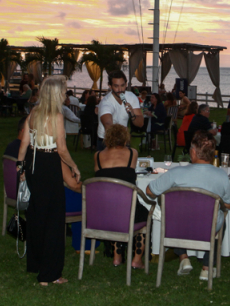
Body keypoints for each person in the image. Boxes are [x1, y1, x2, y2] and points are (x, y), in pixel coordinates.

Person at [16, 76, 80, 285]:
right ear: (56, 94)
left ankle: (37, 264)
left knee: (37, 216)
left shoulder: (34, 112)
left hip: (33, 164)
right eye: (63, 91)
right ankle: (50, 274)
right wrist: (74, 166)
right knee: (54, 221)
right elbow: (61, 149)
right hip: (49, 165)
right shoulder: (56, 116)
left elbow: (24, 143)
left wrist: (20, 166)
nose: (65, 94)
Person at [146, 131, 230, 281]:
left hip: (177, 226)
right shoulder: (221, 176)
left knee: (176, 214)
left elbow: (150, 191)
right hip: (207, 227)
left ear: (193, 152)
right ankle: (207, 268)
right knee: (220, 219)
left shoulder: (175, 173)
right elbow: (229, 204)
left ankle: (184, 258)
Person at [93, 123, 148, 269]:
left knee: (116, 210)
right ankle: (137, 259)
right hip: (126, 207)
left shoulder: (97, 156)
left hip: (103, 209)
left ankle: (117, 257)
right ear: (125, 138)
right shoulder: (132, 153)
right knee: (145, 215)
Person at [96, 70, 143, 152]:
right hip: (106, 140)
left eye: (122, 85)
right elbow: (108, 125)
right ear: (110, 86)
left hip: (122, 140)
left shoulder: (131, 97)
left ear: (126, 84)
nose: (120, 89)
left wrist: (132, 114)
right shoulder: (106, 103)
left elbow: (140, 123)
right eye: (116, 86)